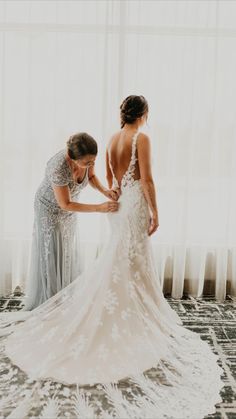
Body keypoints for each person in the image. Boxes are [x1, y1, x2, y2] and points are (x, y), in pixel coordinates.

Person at [0, 96, 223, 418]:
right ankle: (130, 311)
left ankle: (123, 304)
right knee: (130, 260)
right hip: (131, 204)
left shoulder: (113, 138)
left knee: (119, 260)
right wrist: (155, 212)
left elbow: (102, 173)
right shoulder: (140, 137)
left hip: (118, 205)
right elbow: (146, 178)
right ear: (144, 115)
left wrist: (110, 194)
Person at [24, 132, 119, 310]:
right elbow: (65, 203)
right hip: (49, 208)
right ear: (71, 157)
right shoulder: (58, 166)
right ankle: (49, 301)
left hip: (69, 209)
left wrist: (105, 191)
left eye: (93, 161)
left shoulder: (87, 158)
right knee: (51, 251)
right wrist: (99, 208)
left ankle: (64, 295)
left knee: (66, 248)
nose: (91, 165)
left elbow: (90, 177)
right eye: (87, 162)